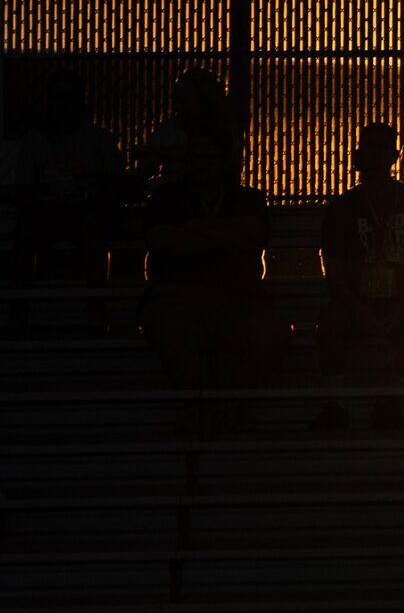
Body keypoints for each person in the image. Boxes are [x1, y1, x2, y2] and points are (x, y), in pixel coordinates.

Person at [141, 126, 278, 423]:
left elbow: (253, 235)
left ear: (223, 161)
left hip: (238, 301)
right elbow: (160, 241)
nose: (200, 164)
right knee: (177, 333)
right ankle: (198, 412)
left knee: (271, 332)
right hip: (178, 298)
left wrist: (192, 231)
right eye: (194, 157)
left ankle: (231, 406)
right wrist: (225, 233)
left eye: (207, 157)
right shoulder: (166, 198)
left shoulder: (247, 198)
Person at [316, 122, 404, 432]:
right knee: (330, 321)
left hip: (401, 301)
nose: (373, 157)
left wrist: (401, 310)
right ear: (358, 155)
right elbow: (334, 274)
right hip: (356, 303)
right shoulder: (342, 208)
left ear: (394, 157)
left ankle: (390, 400)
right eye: (368, 149)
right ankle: (336, 404)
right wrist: (360, 309)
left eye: (381, 150)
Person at [5, 66, 127, 286]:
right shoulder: (34, 141)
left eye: (69, 98)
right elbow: (23, 188)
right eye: (59, 98)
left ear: (81, 100)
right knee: (24, 237)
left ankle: (96, 307)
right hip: (44, 215)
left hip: (85, 215)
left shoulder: (98, 139)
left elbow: (115, 181)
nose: (64, 105)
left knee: (95, 234)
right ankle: (19, 309)